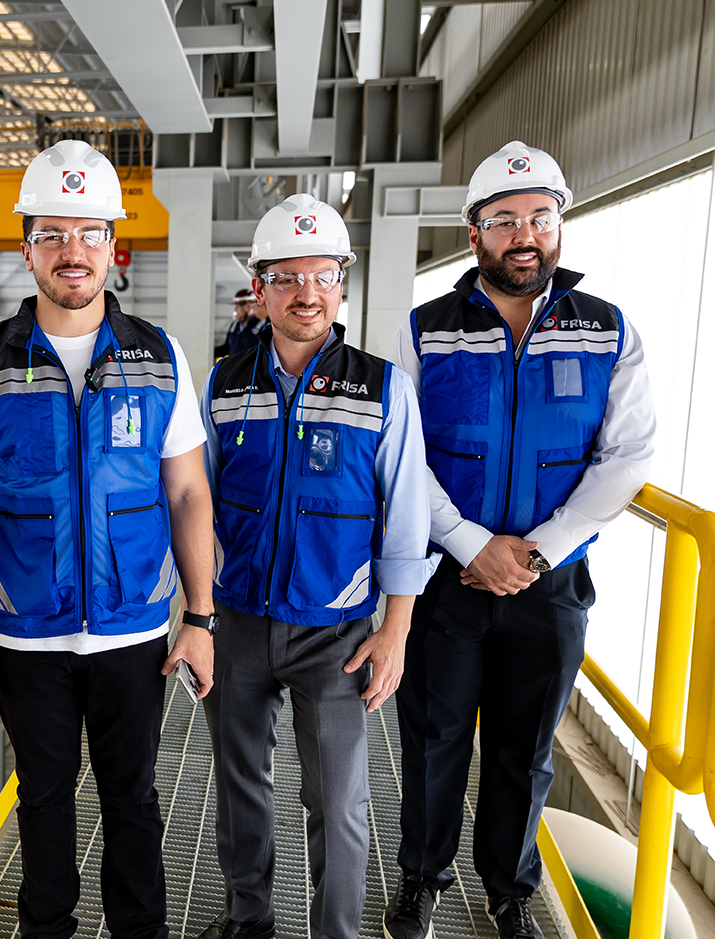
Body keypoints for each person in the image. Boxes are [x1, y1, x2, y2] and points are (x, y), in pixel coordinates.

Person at [0, 139, 217, 939]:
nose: (72, 251)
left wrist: (200, 618)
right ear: (27, 250)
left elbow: (189, 492)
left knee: (134, 800)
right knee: (44, 801)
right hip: (26, 633)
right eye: (52, 234)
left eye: (89, 233)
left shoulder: (159, 355)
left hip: (134, 627)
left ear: (114, 247)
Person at [382, 141, 655, 939]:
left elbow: (628, 455)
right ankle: (421, 879)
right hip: (446, 578)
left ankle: (509, 892)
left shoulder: (608, 331)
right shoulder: (425, 331)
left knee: (525, 748)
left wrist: (536, 552)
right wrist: (471, 544)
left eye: (540, 216)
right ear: (475, 234)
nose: (524, 235)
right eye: (504, 220)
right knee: (432, 740)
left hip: (550, 582)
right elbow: (402, 455)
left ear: (560, 226)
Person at [196, 194, 439, 939]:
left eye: (324, 275)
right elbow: (197, 504)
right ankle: (249, 922)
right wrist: (197, 616)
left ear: (342, 282)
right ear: (261, 287)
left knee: (338, 803)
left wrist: (395, 632)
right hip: (238, 622)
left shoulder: (384, 387)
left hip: (336, 633)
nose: (307, 293)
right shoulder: (224, 384)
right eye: (287, 277)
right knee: (240, 788)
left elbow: (408, 517)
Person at [215, 289, 262, 358]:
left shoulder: (261, 326)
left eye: (237, 306)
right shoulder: (234, 326)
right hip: (234, 364)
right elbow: (227, 348)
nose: (235, 309)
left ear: (248, 306)